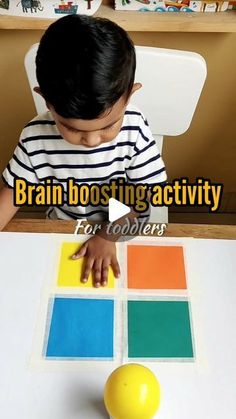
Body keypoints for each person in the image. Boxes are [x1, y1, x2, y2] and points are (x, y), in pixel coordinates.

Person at [0, 14, 166, 286]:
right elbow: (11, 197)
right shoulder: (35, 137)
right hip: (62, 229)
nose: (91, 141)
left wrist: (106, 235)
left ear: (130, 95)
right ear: (46, 100)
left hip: (121, 229)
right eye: (73, 129)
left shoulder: (134, 129)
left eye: (108, 126)